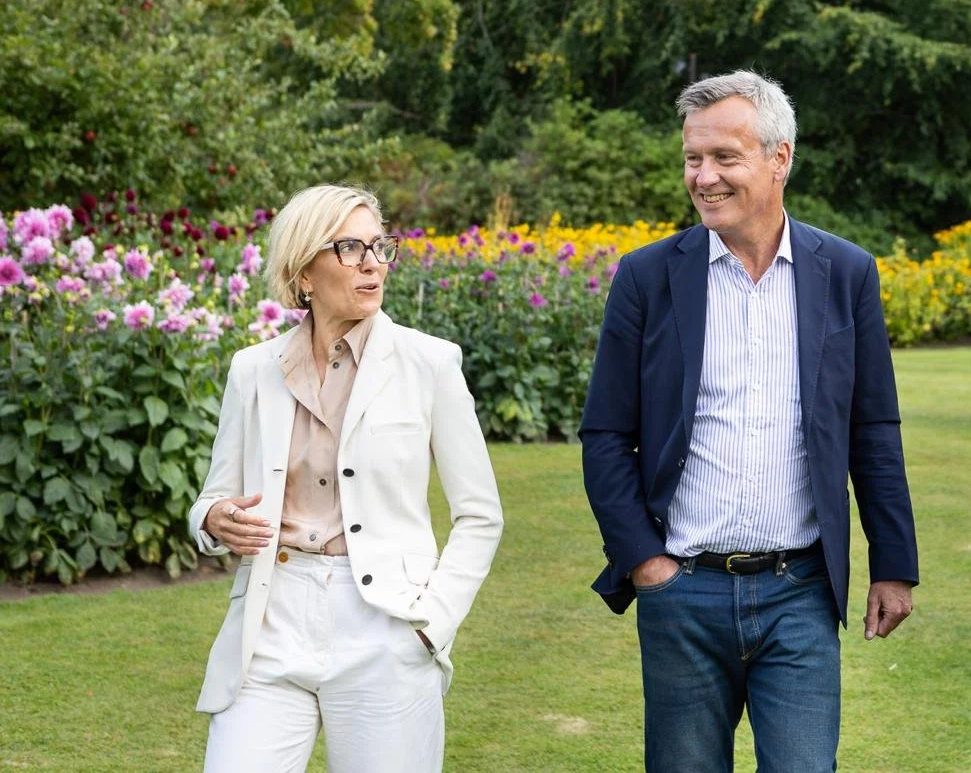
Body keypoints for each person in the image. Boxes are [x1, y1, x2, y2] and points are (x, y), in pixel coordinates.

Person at [580, 69, 919, 773]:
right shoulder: (647, 277)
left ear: (779, 158)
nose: (703, 177)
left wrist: (894, 565)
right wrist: (647, 564)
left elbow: (871, 428)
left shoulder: (847, 273)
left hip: (800, 591)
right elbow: (607, 434)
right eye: (692, 158)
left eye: (724, 158)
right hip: (682, 591)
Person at [189, 184, 503, 773]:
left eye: (380, 247)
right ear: (304, 271)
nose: (371, 263)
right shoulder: (252, 370)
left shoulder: (430, 363)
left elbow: (480, 514)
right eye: (349, 248)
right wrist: (212, 518)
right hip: (269, 623)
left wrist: (431, 624)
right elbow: (213, 496)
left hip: (384, 629)